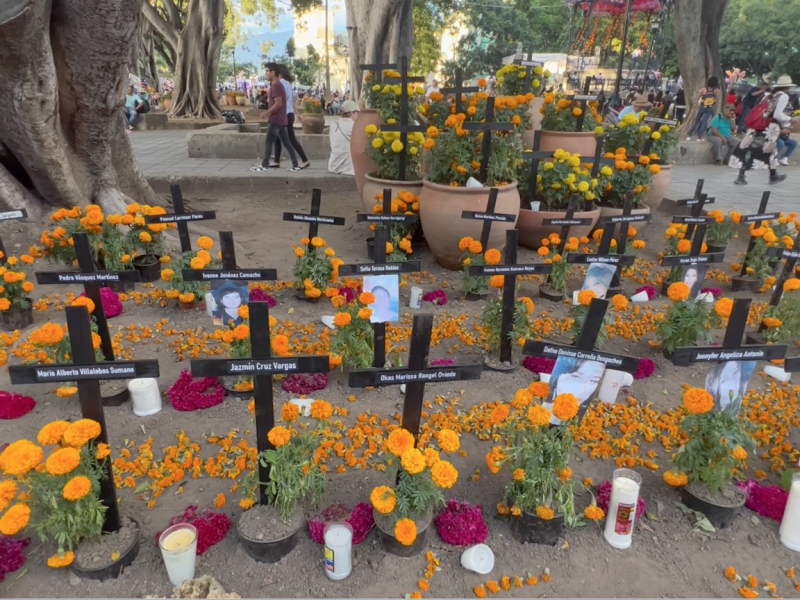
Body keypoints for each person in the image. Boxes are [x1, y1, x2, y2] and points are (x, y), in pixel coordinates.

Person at [730, 75, 796, 185]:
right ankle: (745, 176)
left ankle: (771, 175)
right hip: (769, 128)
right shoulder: (783, 96)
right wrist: (790, 119)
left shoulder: (770, 95)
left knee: (758, 149)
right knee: (763, 150)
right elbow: (777, 114)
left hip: (759, 126)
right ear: (788, 87)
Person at [250, 63, 301, 173]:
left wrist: (267, 113)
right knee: (287, 143)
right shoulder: (278, 85)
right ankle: (295, 164)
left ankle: (264, 165)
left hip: (276, 120)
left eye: (267, 71)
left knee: (268, 142)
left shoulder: (276, 86)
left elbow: (278, 103)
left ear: (273, 73)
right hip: (282, 120)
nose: (266, 73)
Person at [543, 359, 606, 424]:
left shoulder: (580, 422)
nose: (583, 390)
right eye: (576, 377)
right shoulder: (539, 412)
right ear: (558, 375)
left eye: (593, 381)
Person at [272, 64, 310, 169]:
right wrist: (296, 113)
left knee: (290, 139)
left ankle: (305, 159)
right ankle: (276, 160)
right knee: (277, 138)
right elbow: (291, 101)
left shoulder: (280, 84)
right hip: (288, 114)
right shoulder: (288, 84)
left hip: (283, 115)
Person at [328, 100, 359, 175]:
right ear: (352, 113)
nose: (358, 116)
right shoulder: (354, 126)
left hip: (333, 165)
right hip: (349, 167)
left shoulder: (333, 124)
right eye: (357, 113)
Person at [685, 76, 720, 141]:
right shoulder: (717, 90)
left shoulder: (704, 89)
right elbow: (717, 100)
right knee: (704, 121)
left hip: (702, 106)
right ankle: (699, 137)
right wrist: (714, 105)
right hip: (710, 108)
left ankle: (689, 136)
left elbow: (699, 96)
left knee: (697, 121)